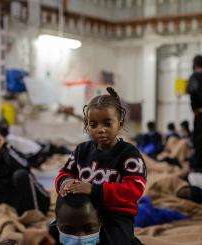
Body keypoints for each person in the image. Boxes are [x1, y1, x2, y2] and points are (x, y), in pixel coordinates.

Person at [55, 87, 146, 245]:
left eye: (107, 123)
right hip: (83, 213)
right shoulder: (81, 150)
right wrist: (65, 183)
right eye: (94, 124)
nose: (100, 130)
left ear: (120, 124)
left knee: (112, 241)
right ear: (87, 126)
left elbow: (134, 189)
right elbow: (64, 173)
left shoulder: (129, 153)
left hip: (116, 216)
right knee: (51, 235)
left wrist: (93, 189)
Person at [0, 131, 50, 215]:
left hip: (39, 201)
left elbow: (25, 166)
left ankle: (34, 214)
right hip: (17, 204)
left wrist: (6, 148)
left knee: (20, 175)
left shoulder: (9, 153)